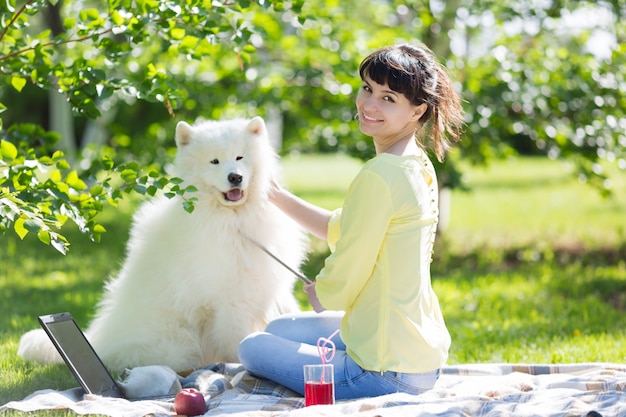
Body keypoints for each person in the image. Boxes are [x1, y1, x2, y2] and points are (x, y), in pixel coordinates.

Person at [238, 43, 465, 400]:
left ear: (417, 110)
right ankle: (346, 351)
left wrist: (324, 293)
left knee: (251, 347)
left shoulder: (380, 175)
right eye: (367, 89)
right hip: (418, 356)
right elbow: (339, 227)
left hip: (382, 373)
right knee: (280, 326)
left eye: (388, 98)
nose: (369, 105)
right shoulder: (416, 164)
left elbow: (351, 263)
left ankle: (345, 362)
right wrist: (275, 195)